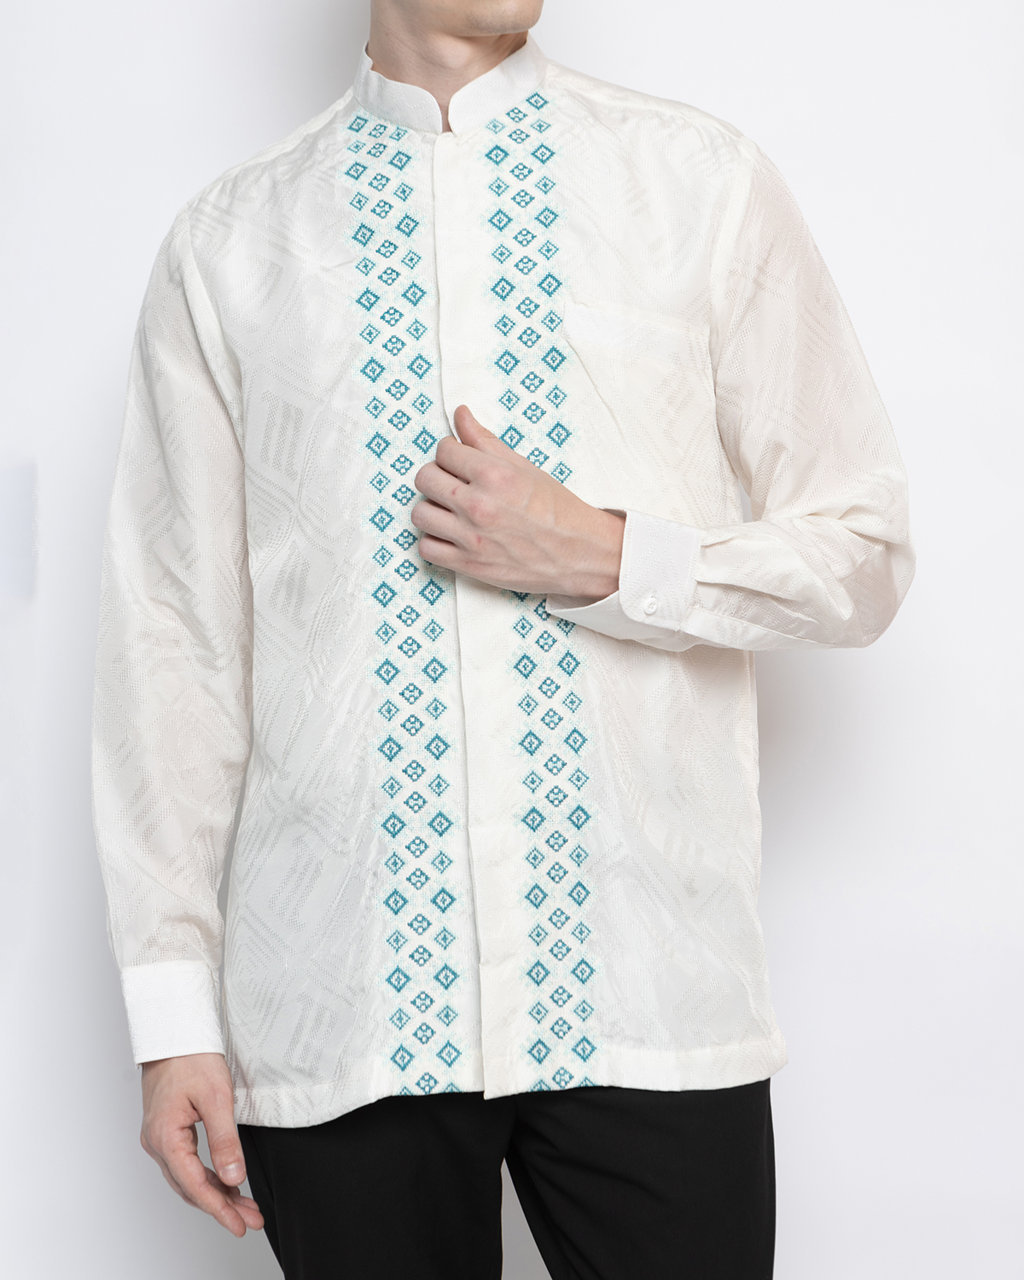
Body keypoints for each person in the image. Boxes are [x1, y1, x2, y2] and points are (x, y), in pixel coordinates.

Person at [90, 0, 916, 1276]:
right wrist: (170, 1016)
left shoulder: (694, 183)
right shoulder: (234, 243)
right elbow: (175, 644)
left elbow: (862, 550)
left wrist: (609, 555)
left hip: (646, 990)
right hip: (345, 1007)